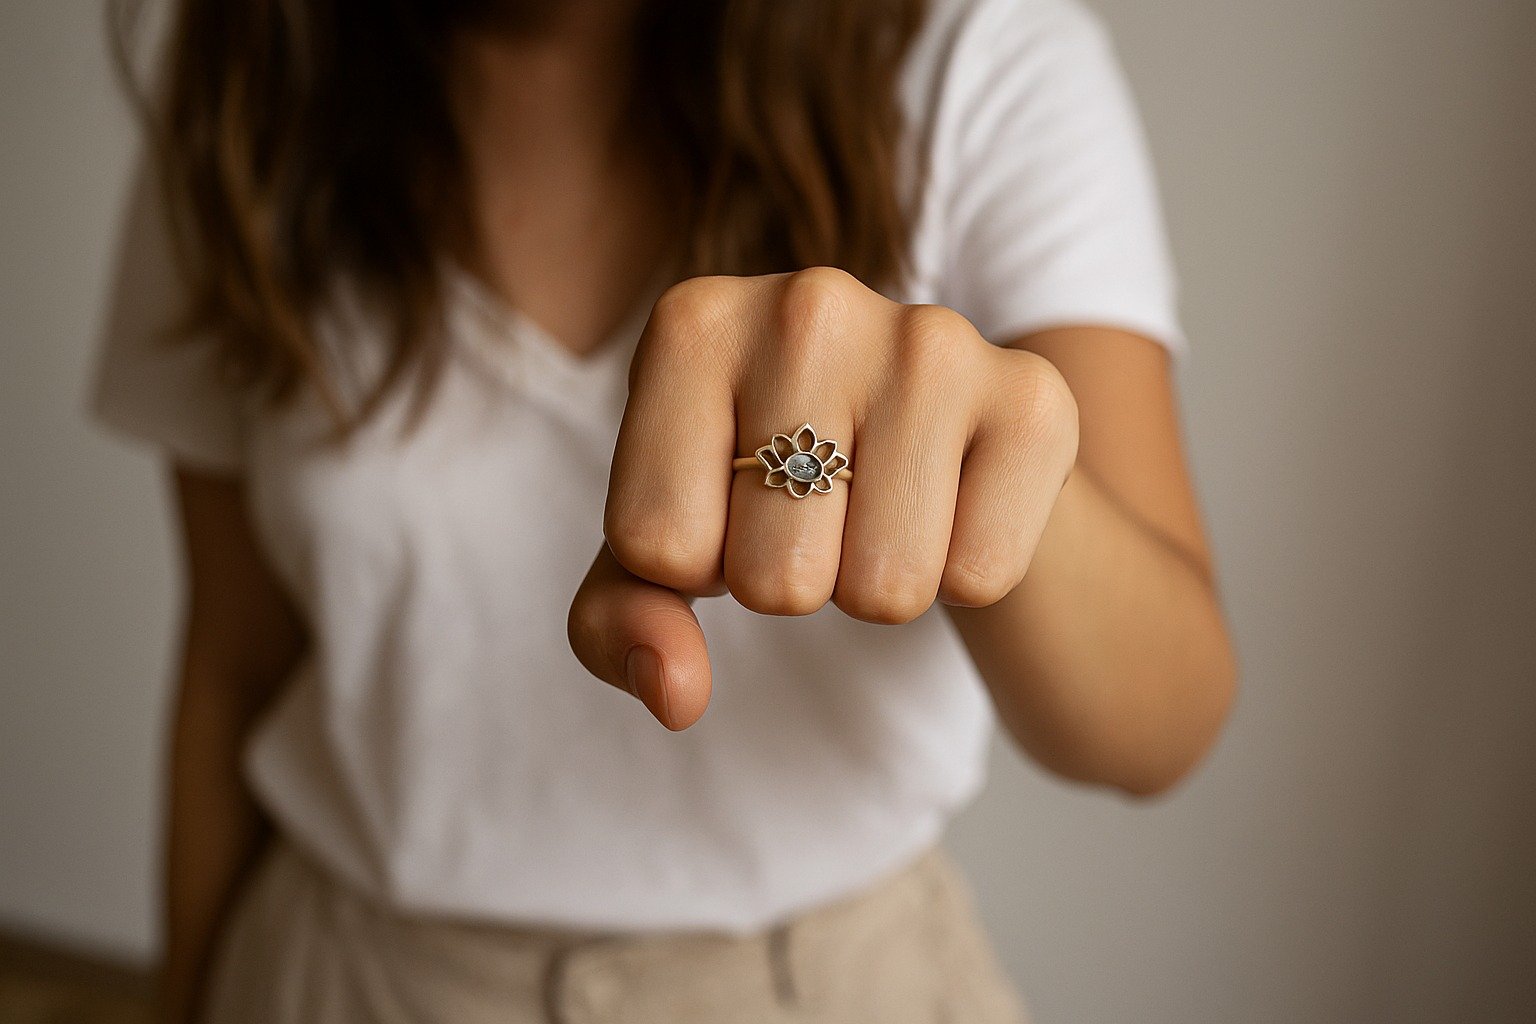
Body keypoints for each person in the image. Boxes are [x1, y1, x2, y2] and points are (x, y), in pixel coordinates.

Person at [91, 0, 1237, 1020]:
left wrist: (981, 456)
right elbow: (234, 662)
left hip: (831, 987)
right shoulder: (252, 87)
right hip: (338, 974)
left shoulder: (981, 65)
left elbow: (1161, 725)